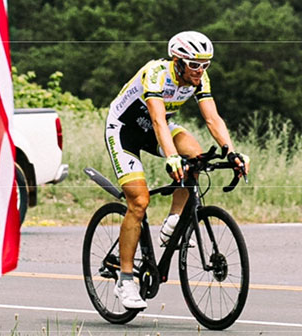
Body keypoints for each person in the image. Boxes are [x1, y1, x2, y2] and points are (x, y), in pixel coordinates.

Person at [104, 30, 249, 310]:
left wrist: (231, 151)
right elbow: (158, 120)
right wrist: (171, 157)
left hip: (154, 129)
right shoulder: (156, 73)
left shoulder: (199, 79)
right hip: (125, 131)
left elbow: (212, 117)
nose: (200, 71)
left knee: (195, 156)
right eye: (195, 64)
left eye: (206, 64)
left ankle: (173, 221)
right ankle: (124, 280)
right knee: (139, 202)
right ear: (178, 60)